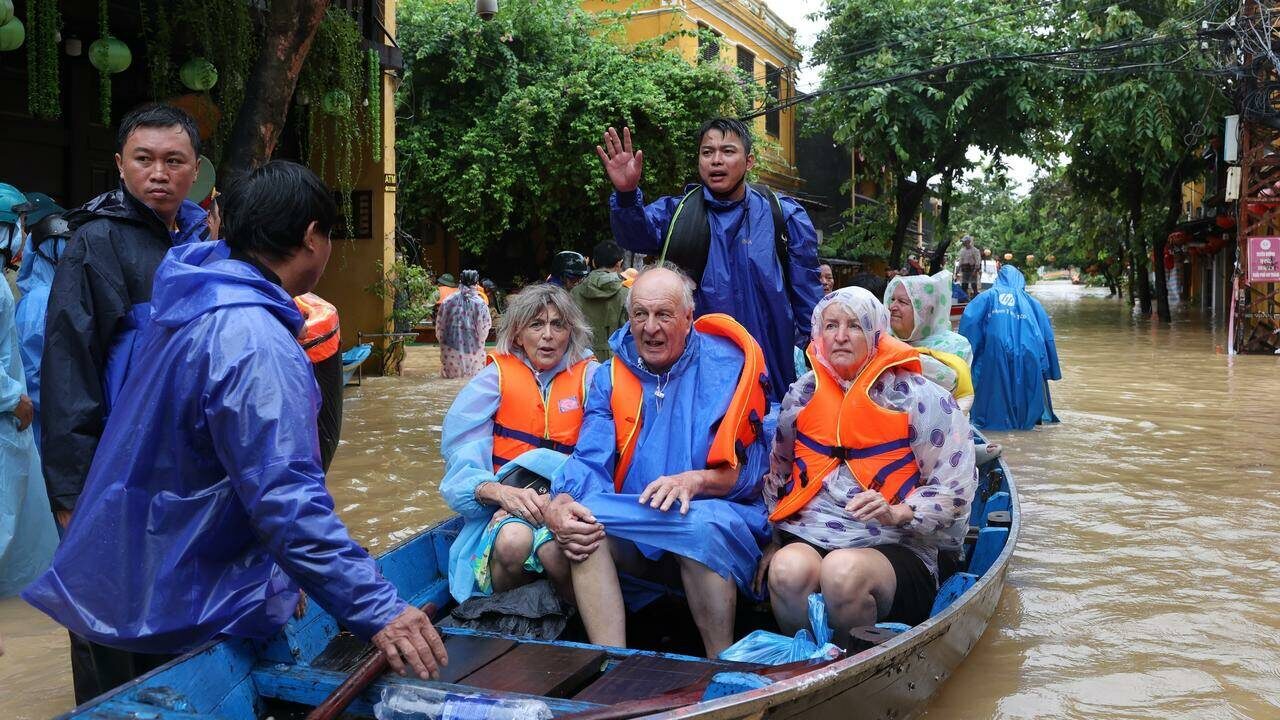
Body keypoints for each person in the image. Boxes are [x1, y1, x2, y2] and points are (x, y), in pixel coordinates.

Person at [23, 161, 447, 695]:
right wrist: (380, 608)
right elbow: (285, 499)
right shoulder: (255, 342)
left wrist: (278, 573)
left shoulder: (189, 298)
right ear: (312, 237)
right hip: (171, 602)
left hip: (120, 578)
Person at [544, 266, 771, 658]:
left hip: (716, 523)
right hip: (639, 523)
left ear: (688, 319)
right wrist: (561, 500)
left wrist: (695, 481)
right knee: (581, 525)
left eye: (664, 315)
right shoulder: (611, 376)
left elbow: (752, 474)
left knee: (698, 525)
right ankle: (612, 665)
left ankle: (723, 663)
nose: (650, 328)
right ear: (629, 319)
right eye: (640, 315)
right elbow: (590, 457)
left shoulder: (730, 365)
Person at [757, 287, 977, 640]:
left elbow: (956, 492)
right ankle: (809, 664)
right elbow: (780, 474)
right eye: (831, 326)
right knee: (785, 570)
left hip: (898, 543)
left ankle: (853, 664)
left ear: (876, 332)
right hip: (816, 532)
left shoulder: (920, 398)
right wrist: (775, 539)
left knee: (842, 573)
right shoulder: (802, 394)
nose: (840, 337)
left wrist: (899, 511)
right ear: (818, 333)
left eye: (854, 326)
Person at [41, 104, 210, 532]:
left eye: (174, 161)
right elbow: (69, 367)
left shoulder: (204, 241)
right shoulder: (96, 242)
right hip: (125, 463)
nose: (158, 173)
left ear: (195, 170)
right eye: (143, 159)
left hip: (195, 461)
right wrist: (70, 493)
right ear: (120, 165)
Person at [597, 120, 823, 404]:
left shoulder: (784, 217)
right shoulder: (676, 213)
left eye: (728, 151)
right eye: (707, 152)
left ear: (749, 161)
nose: (716, 160)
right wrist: (627, 196)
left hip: (770, 375)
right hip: (694, 380)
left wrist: (824, 371)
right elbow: (635, 235)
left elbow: (811, 308)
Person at [439, 284, 597, 604]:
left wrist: (556, 501)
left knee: (558, 550)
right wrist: (501, 495)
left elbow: (607, 458)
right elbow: (460, 461)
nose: (548, 335)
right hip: (507, 504)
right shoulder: (493, 378)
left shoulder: (592, 377)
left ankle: (574, 617)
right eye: (536, 325)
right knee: (512, 542)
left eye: (558, 324)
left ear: (572, 331)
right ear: (517, 334)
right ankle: (512, 611)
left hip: (574, 499)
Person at [0, 194, 58, 597]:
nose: (22, 233)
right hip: (12, 416)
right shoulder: (32, 300)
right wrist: (13, 399)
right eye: (17, 222)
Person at [959, 265, 1061, 431]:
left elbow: (969, 332)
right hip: (1030, 358)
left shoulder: (985, 298)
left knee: (992, 406)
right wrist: (1050, 370)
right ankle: (1023, 436)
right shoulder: (1033, 303)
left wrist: (964, 364)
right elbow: (1047, 338)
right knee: (1026, 413)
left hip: (994, 358)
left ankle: (995, 433)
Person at [884, 271, 975, 408]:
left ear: (925, 311)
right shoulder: (881, 341)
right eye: (892, 300)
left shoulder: (955, 346)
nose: (892, 307)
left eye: (902, 302)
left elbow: (956, 401)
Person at [571, 240, 629, 361]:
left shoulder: (574, 292)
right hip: (615, 363)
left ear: (593, 262)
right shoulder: (626, 294)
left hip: (580, 359)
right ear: (619, 264)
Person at [438, 269, 492, 379]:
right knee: (471, 382)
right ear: (476, 284)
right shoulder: (480, 303)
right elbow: (484, 330)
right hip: (473, 351)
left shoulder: (448, 301)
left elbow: (440, 327)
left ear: (460, 282)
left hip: (450, 349)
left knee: (450, 381)